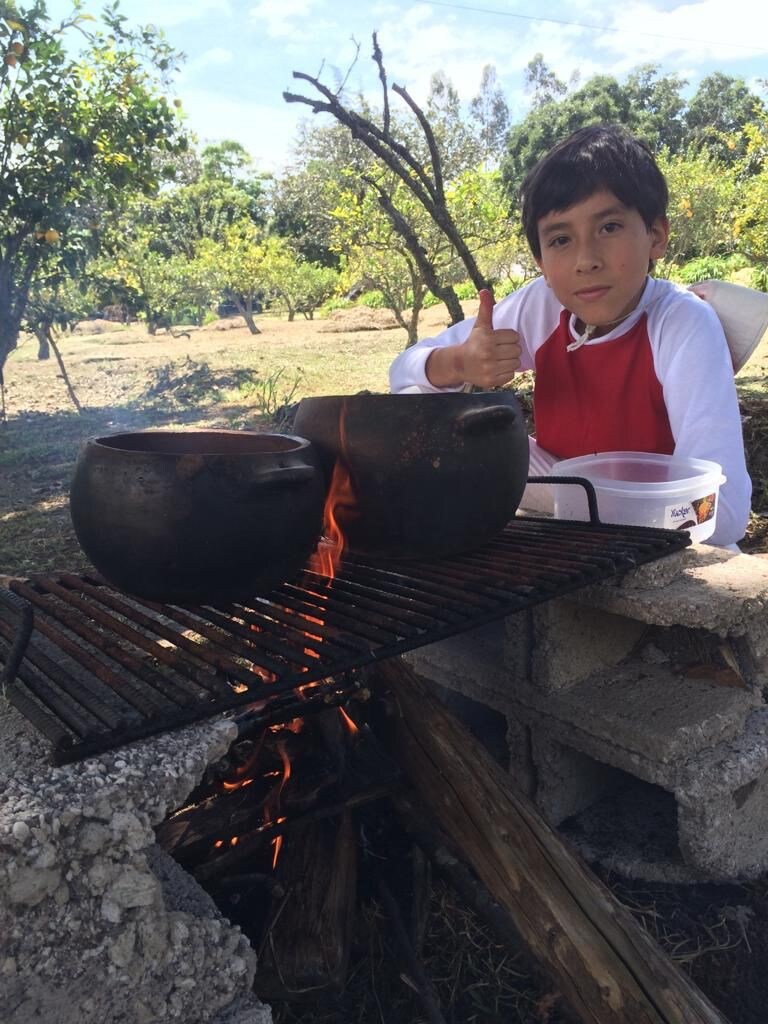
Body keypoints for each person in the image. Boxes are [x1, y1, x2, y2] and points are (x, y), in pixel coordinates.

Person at [389, 124, 751, 549]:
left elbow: (722, 513)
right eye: (561, 239)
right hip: (566, 490)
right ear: (541, 261)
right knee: (429, 409)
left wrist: (590, 503)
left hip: (661, 530)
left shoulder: (683, 323)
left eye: (609, 227)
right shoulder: (543, 305)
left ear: (656, 235)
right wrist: (460, 363)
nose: (585, 260)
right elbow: (404, 375)